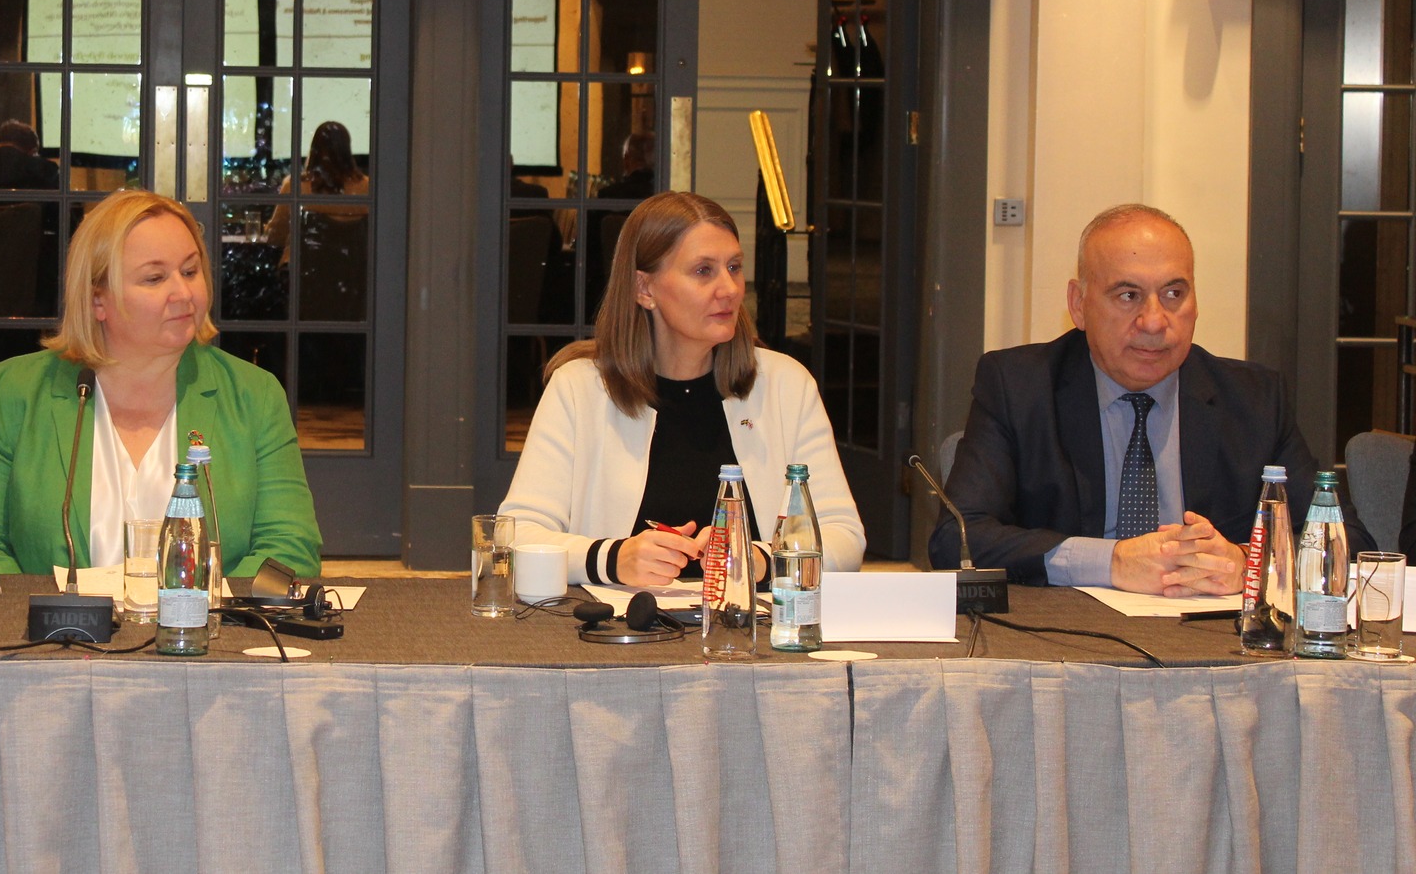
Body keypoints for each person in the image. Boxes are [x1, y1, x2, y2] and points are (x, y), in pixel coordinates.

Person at [930, 203, 1365, 592]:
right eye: (1128, 295)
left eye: (1174, 294)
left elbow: (1348, 545)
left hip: (1207, 637)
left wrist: (1250, 562)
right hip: (1070, 632)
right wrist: (1110, 561)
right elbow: (957, 540)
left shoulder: (1254, 400)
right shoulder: (1019, 387)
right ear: (1079, 305)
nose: (1154, 322)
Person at [0, 189, 322, 580]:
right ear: (97, 300)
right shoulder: (14, 390)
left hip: (211, 621)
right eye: (155, 278)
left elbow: (289, 547)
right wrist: (47, 609)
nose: (184, 293)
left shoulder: (255, 394)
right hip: (55, 622)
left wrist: (202, 606)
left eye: (190, 271)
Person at [500, 190, 865, 587]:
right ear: (644, 289)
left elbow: (843, 537)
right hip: (623, 621)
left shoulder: (786, 385)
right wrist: (613, 558)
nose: (730, 289)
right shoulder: (579, 389)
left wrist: (760, 559)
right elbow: (516, 536)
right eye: (703, 271)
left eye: (734, 267)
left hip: (754, 622)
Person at [263, 120, 369, 259]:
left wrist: (267, 228)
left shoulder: (295, 186)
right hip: (354, 269)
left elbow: (276, 237)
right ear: (347, 150)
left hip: (302, 269)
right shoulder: (367, 187)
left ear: (314, 150)